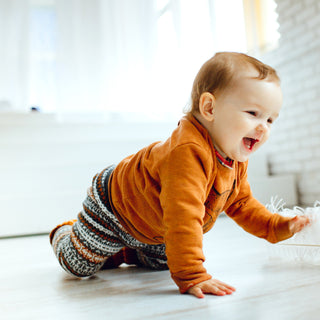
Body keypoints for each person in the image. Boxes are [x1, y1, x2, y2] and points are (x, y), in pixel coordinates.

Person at [50, 52, 310, 299]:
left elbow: (241, 204)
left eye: (271, 120)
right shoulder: (187, 152)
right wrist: (193, 275)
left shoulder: (233, 158)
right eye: (253, 113)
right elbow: (182, 216)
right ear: (209, 108)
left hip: (152, 225)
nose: (263, 127)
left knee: (161, 262)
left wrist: (277, 226)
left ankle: (123, 251)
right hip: (114, 206)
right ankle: (65, 233)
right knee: (79, 265)